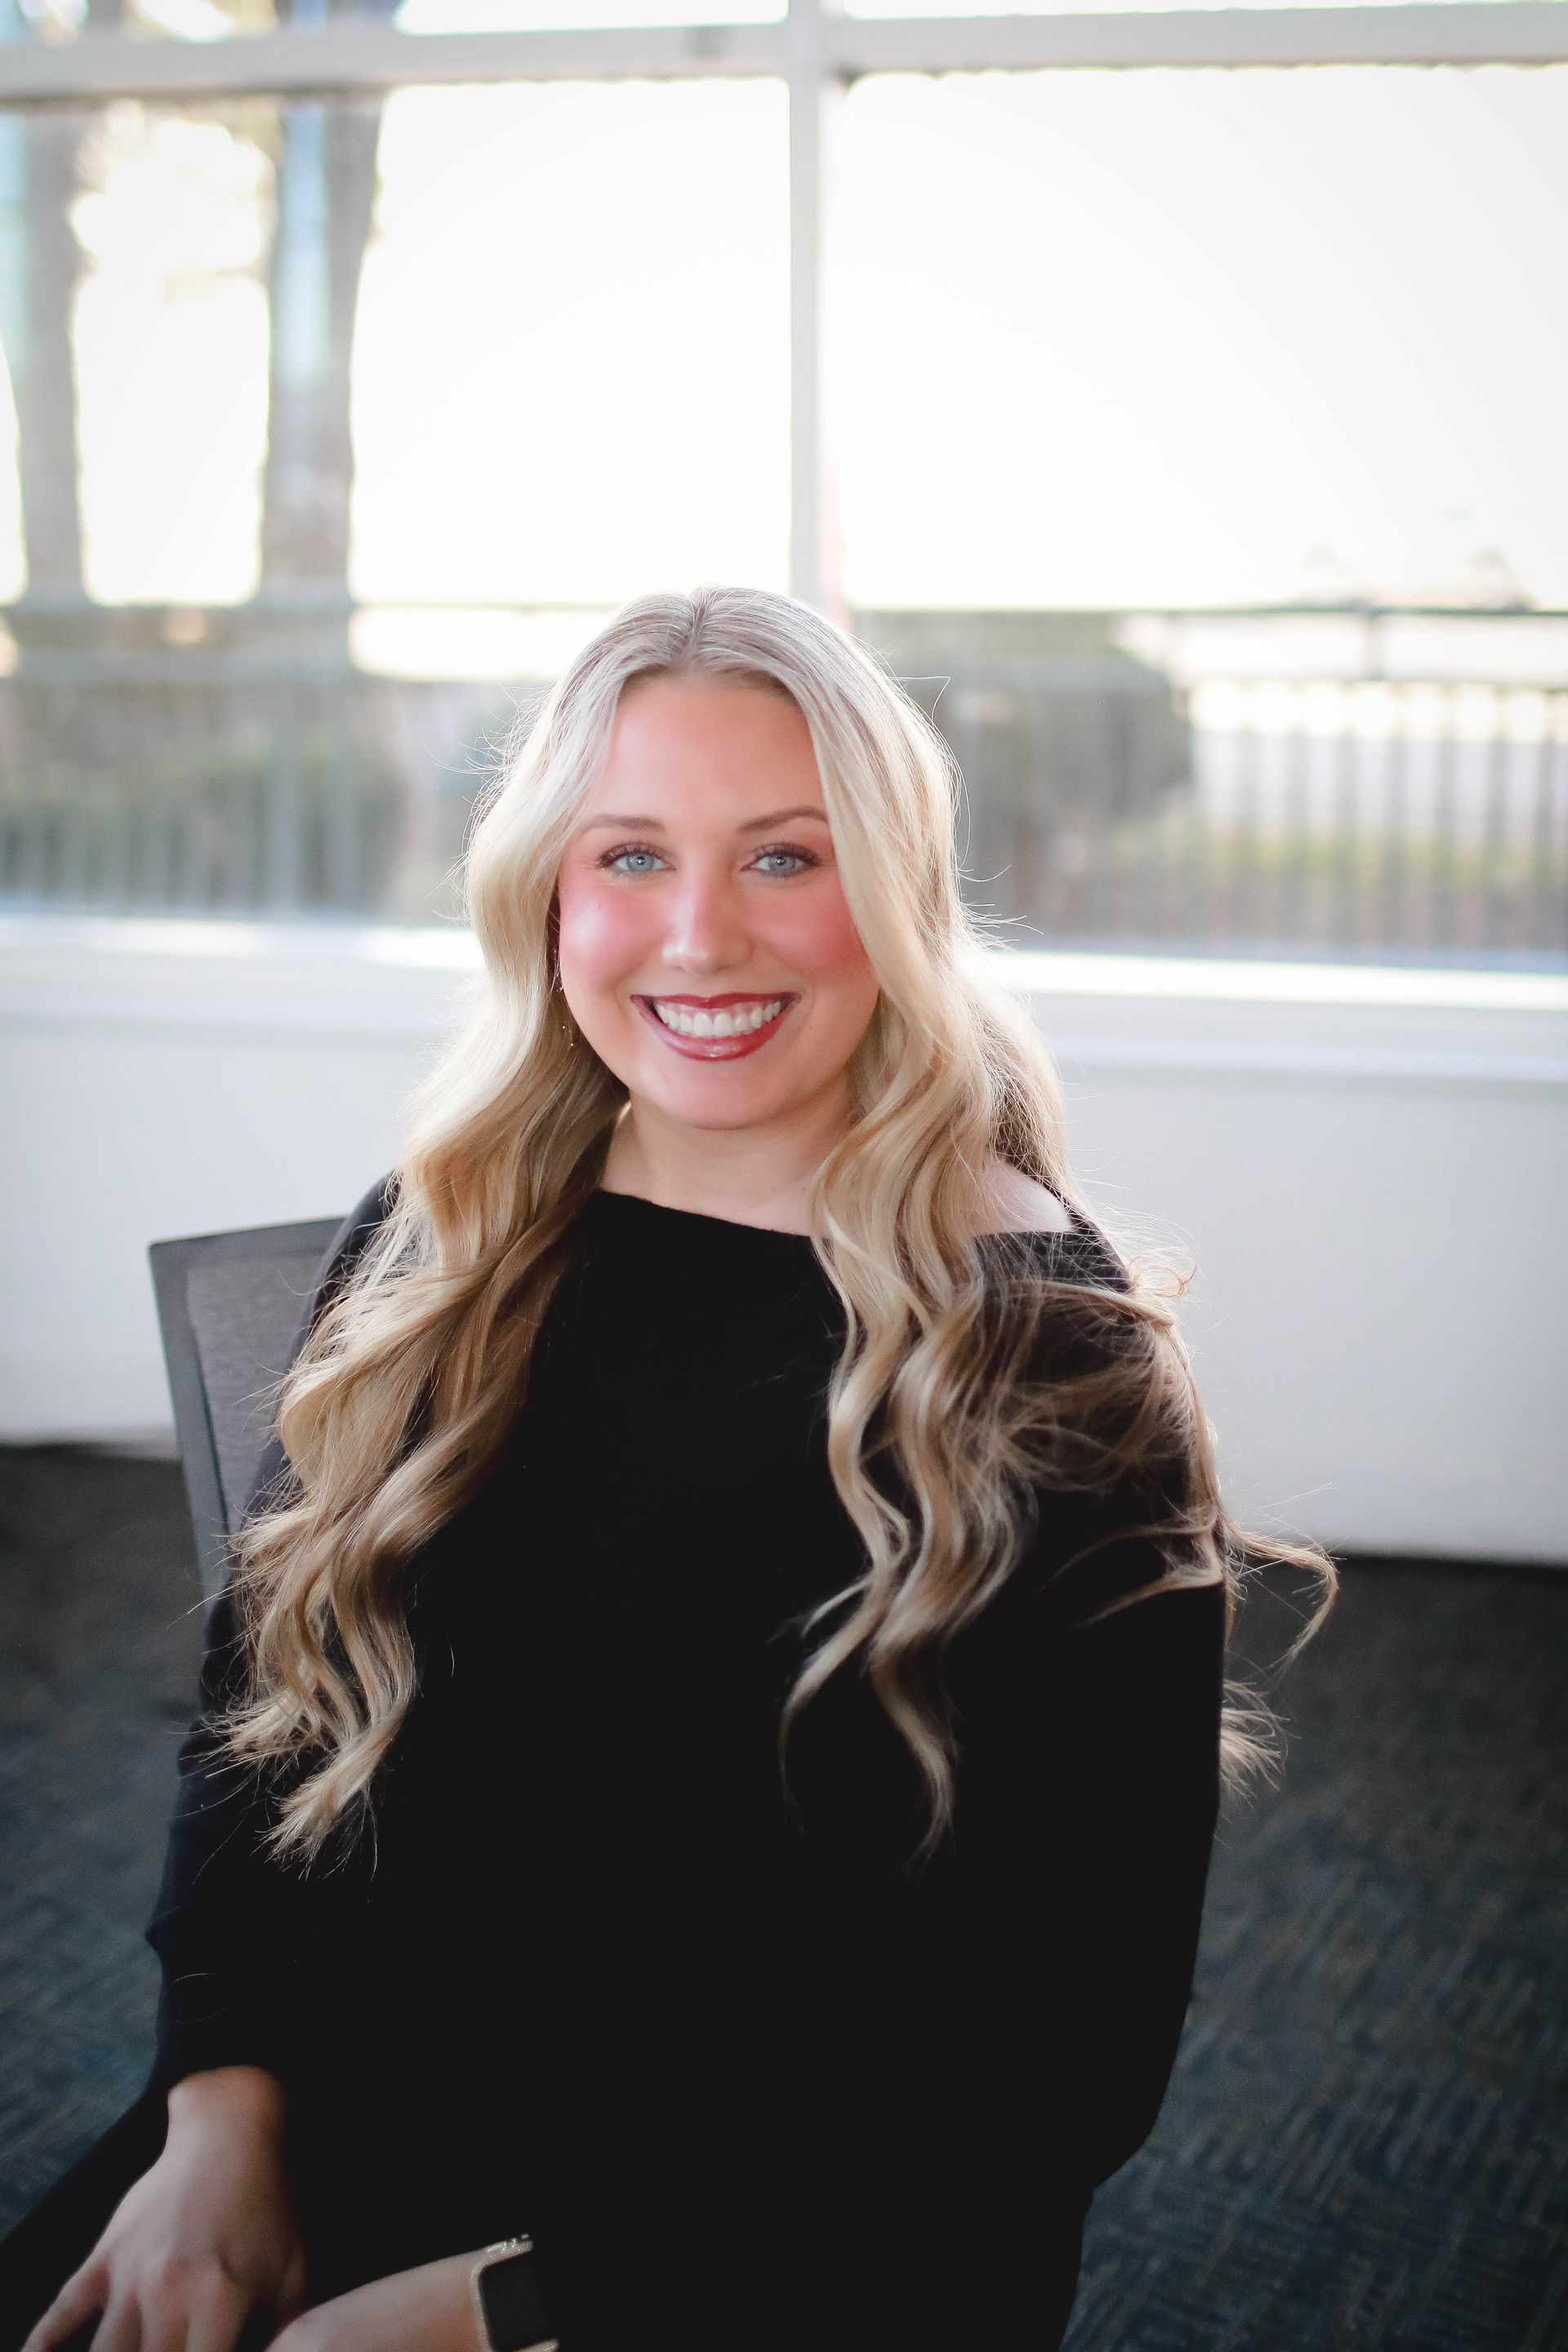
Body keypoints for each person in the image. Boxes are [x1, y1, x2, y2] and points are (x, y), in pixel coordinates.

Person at [20, 586, 1320, 2352]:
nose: (699, 937)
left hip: (756, 2252)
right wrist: (217, 2116)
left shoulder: (1050, 1365)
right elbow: (269, 1723)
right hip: (337, 2119)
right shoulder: (446, 1236)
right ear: (547, 887)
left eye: (785, 858)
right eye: (630, 853)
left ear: (895, 895)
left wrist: (485, 2312)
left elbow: (1051, 2064)